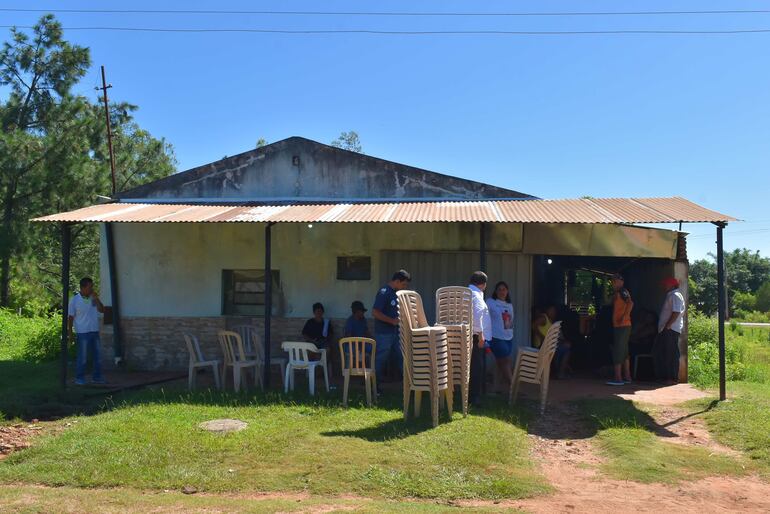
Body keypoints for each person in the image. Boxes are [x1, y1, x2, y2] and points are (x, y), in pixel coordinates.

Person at [372, 270, 412, 392]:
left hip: (396, 333)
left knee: (402, 358)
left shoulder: (396, 293)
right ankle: (375, 387)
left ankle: (411, 387)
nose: (404, 287)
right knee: (381, 359)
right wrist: (391, 321)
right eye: (404, 284)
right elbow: (375, 312)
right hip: (384, 333)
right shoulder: (384, 292)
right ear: (397, 281)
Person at [67, 277, 106, 385]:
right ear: (83, 287)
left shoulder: (93, 298)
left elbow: (102, 310)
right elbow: (70, 318)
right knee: (82, 357)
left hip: (94, 330)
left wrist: (97, 299)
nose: (92, 289)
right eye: (90, 287)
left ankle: (97, 377)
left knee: (97, 356)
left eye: (92, 286)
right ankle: (80, 378)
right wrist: (70, 333)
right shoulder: (74, 300)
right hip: (82, 332)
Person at [654, 277, 685, 384]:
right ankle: (665, 377)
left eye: (666, 284)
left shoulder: (676, 295)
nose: (664, 286)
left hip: (670, 329)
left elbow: (676, 312)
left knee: (671, 354)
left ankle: (672, 378)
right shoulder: (671, 295)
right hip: (666, 329)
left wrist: (668, 325)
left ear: (672, 285)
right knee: (663, 353)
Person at [468, 271, 492, 407]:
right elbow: (477, 317)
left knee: (471, 367)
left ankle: (471, 395)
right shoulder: (476, 295)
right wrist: (481, 335)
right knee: (476, 367)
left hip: (469, 336)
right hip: (475, 337)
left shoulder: (467, 293)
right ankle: (474, 397)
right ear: (483, 284)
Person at [486, 281, 515, 391]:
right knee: (506, 360)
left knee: (500, 362)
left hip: (508, 337)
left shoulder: (509, 305)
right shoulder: (490, 302)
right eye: (499, 289)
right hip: (496, 337)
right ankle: (512, 386)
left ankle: (495, 387)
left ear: (507, 291)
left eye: (504, 289)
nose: (502, 292)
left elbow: (510, 322)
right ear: (496, 291)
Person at [608, 273, 633, 386]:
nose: (613, 283)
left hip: (622, 325)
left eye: (615, 281)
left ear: (620, 282)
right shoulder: (618, 293)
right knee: (624, 351)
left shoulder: (623, 291)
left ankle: (618, 378)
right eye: (612, 281)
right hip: (622, 325)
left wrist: (624, 316)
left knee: (618, 350)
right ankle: (627, 376)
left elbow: (631, 303)